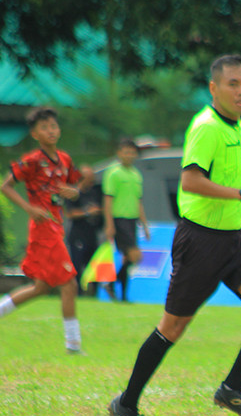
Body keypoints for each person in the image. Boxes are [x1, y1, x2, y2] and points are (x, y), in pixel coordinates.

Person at [108, 54, 241, 416]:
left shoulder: (238, 127)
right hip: (200, 240)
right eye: (233, 84)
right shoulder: (206, 126)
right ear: (213, 88)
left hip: (233, 240)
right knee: (172, 327)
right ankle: (127, 403)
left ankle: (231, 388)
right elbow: (189, 182)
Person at [0, 106, 86, 353]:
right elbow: (5, 186)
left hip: (56, 227)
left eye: (54, 126)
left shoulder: (65, 159)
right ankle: (73, 345)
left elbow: (74, 184)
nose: (51, 130)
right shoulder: (32, 160)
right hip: (42, 227)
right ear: (35, 134)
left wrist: (75, 191)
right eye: (44, 127)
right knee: (69, 283)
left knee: (41, 288)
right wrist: (29, 208)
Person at [102, 138, 151, 302]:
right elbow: (108, 199)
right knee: (135, 256)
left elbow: (139, 201)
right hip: (119, 219)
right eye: (126, 152)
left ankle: (121, 294)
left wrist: (144, 225)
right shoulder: (113, 173)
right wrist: (109, 224)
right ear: (119, 153)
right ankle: (111, 284)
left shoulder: (136, 174)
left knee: (128, 258)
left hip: (132, 221)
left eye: (132, 152)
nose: (129, 155)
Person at [64, 164, 103, 296]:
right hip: (77, 236)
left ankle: (95, 293)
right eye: (88, 178)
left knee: (93, 265)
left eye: (92, 178)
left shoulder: (95, 193)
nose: (91, 181)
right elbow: (69, 214)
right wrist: (87, 212)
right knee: (77, 264)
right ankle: (78, 293)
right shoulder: (73, 193)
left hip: (92, 234)